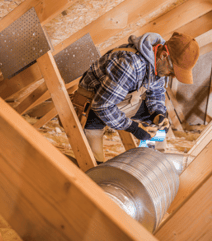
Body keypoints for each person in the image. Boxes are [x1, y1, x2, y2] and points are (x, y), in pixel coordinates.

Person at [72, 32, 200, 163]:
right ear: (163, 55)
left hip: (118, 99)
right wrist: (133, 127)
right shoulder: (130, 65)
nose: (172, 76)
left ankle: (152, 161)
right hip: (93, 106)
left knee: (156, 125)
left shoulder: (158, 63)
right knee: (94, 164)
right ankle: (95, 165)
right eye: (173, 72)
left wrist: (158, 113)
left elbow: (156, 92)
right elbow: (102, 106)